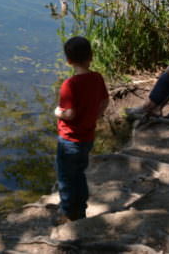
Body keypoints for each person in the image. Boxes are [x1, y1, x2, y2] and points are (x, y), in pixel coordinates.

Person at [54, 36, 110, 223]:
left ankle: (68, 213)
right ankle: (81, 209)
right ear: (91, 56)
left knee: (66, 178)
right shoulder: (96, 78)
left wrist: (57, 112)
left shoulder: (69, 85)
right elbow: (105, 101)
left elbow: (69, 114)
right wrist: (96, 116)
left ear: (68, 60)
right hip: (87, 138)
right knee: (79, 174)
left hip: (69, 140)